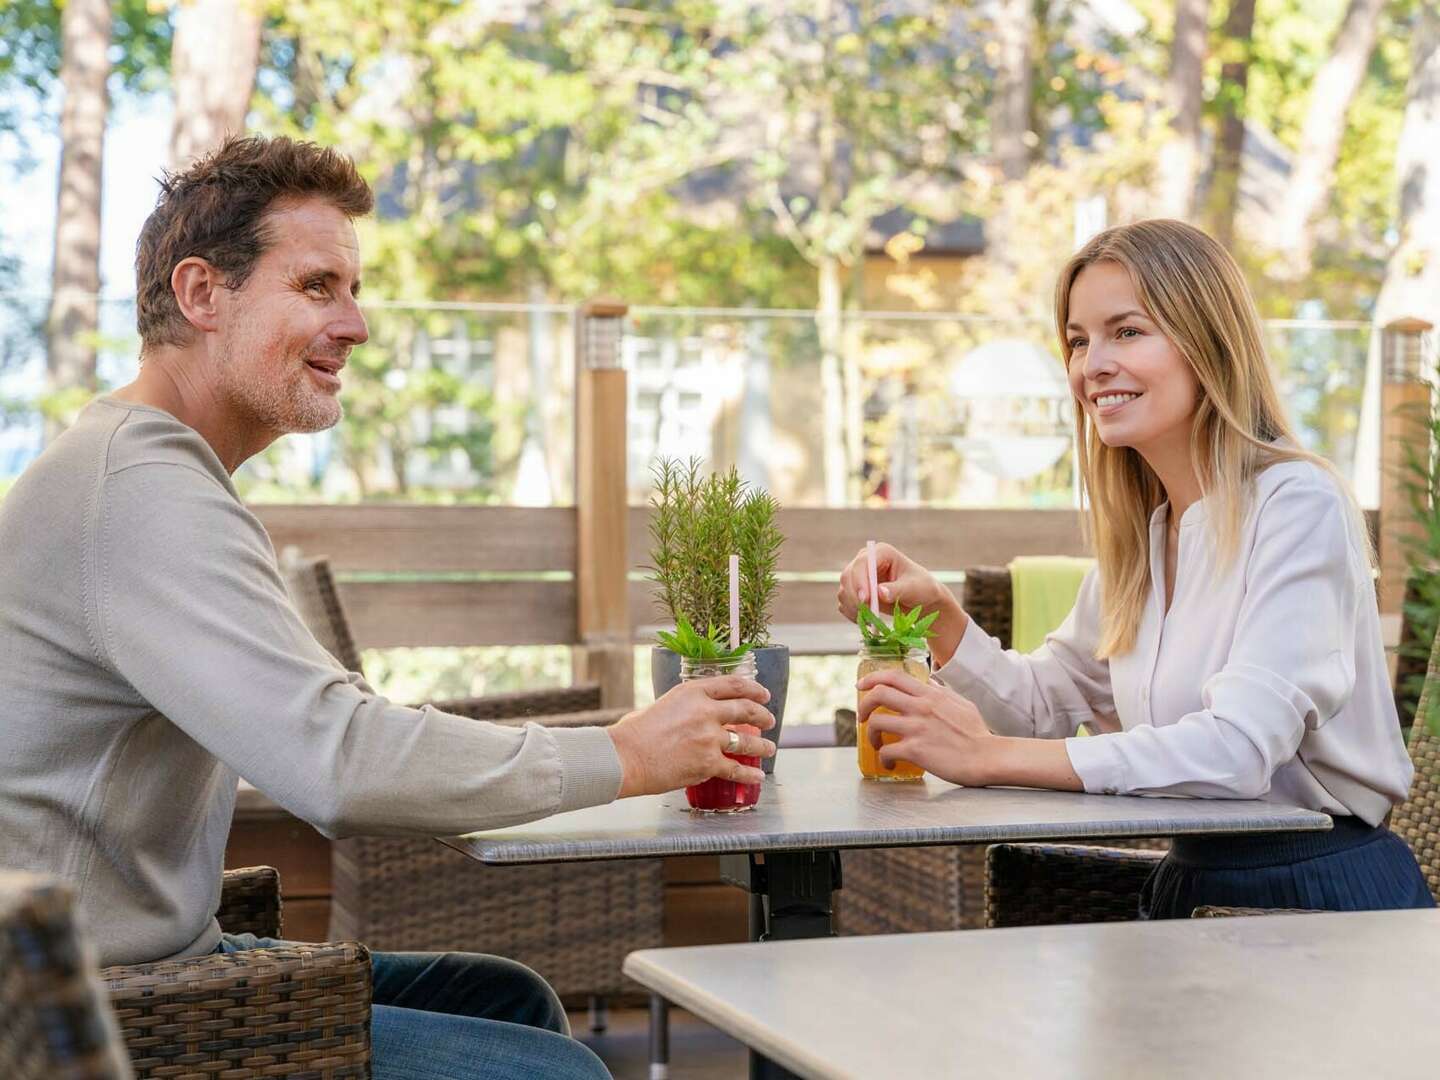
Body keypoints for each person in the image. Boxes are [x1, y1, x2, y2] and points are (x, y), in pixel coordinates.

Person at [0, 135, 775, 1080]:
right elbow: (335, 759)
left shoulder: (146, 473)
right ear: (203, 294)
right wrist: (624, 754)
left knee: (507, 997)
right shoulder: (139, 493)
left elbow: (332, 724)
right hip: (80, 999)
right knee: (558, 1075)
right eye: (318, 286)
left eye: (352, 289)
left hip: (153, 952)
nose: (357, 324)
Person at [837, 219, 1432, 917]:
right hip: (1194, 892)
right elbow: (1040, 710)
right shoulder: (1151, 536)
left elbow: (1238, 751)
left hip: (1321, 906)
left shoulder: (1297, 504)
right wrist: (940, 616)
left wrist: (984, 757)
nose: (1092, 366)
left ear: (1207, 342)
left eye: (1127, 331)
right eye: (1078, 341)